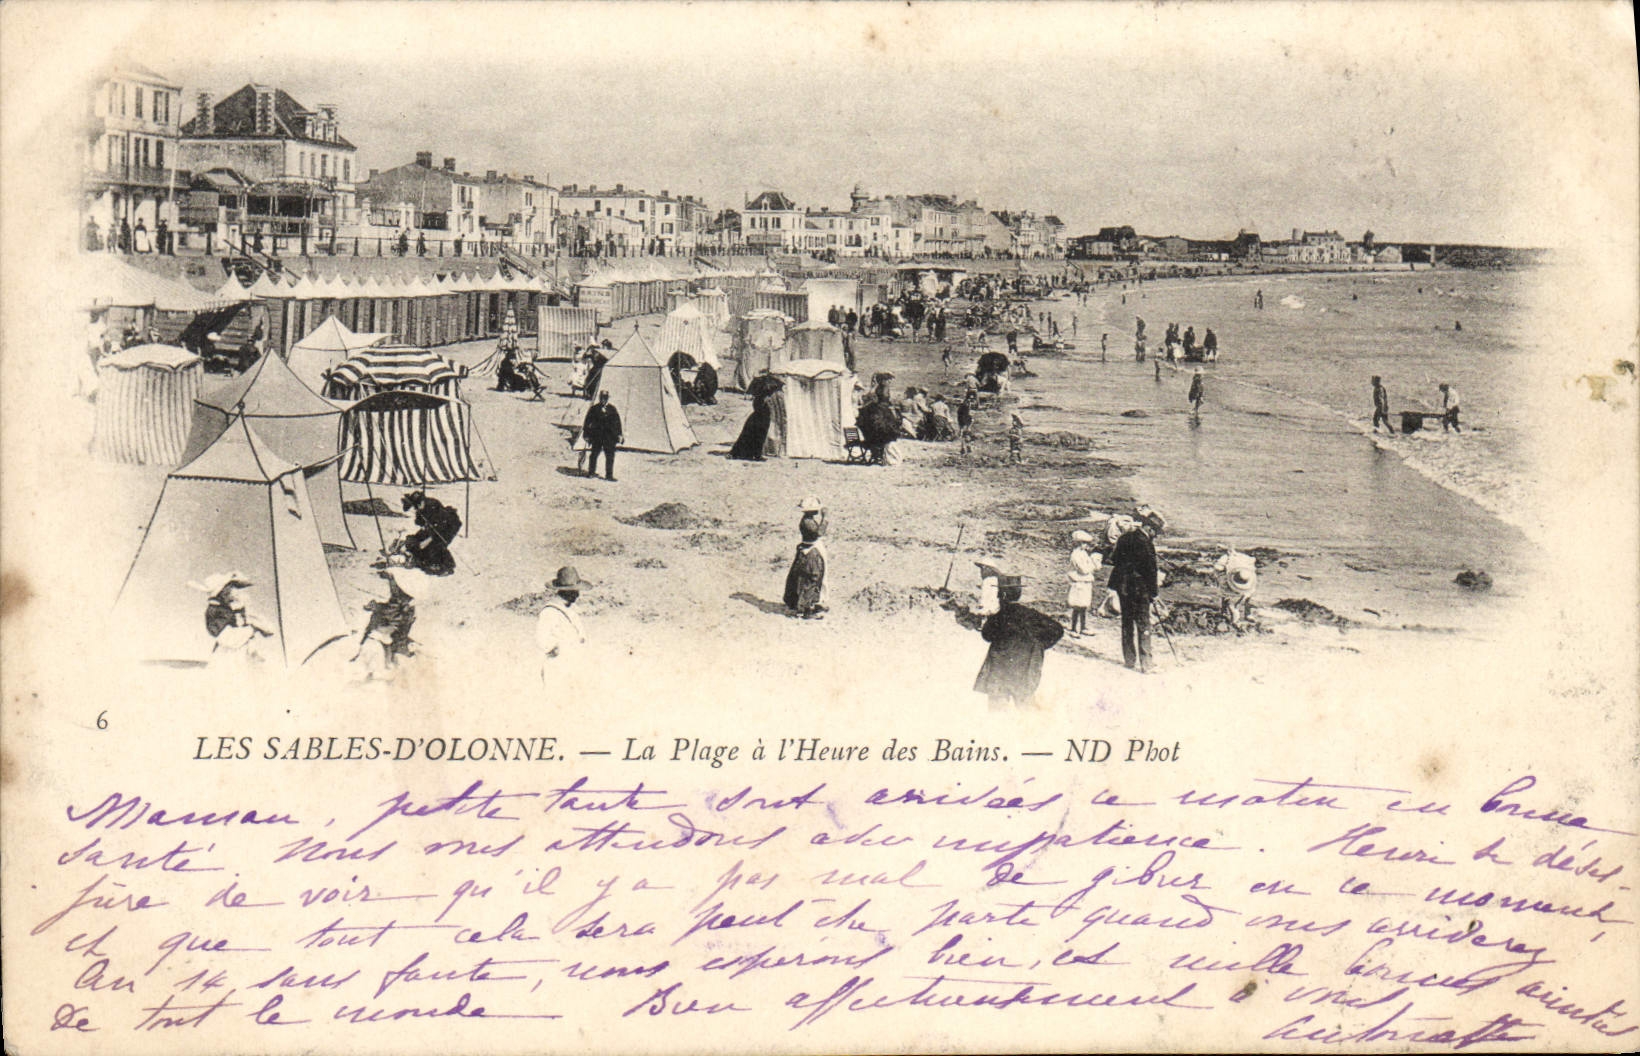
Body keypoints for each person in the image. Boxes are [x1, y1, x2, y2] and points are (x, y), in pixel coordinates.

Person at [973, 574, 1065, 708]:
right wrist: (1039, 646)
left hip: (1000, 671)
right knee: (1025, 712)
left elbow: (986, 635)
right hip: (1024, 670)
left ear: (1002, 597)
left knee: (997, 712)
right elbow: (1058, 630)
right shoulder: (1032, 615)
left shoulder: (999, 617)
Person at [1108, 511, 1163, 671]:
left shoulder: (1124, 537)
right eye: (1155, 532)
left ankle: (1129, 660)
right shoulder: (1146, 543)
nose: (1156, 536)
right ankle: (1146, 664)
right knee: (1143, 624)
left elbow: (1115, 559)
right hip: (1140, 589)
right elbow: (1151, 571)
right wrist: (1154, 593)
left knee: (1127, 623)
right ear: (1149, 528)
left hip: (1123, 586)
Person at [200, 572, 273, 659]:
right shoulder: (216, 611)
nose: (234, 591)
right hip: (229, 653)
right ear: (221, 592)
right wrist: (252, 629)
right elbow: (226, 638)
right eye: (230, 587)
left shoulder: (231, 608)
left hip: (239, 649)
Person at [537, 566, 588, 684]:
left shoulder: (572, 610)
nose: (577, 595)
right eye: (574, 591)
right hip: (558, 668)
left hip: (573, 666)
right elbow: (541, 638)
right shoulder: (550, 611)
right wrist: (556, 650)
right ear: (563, 592)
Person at [783, 499, 827, 619]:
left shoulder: (807, 520)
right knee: (812, 577)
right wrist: (825, 518)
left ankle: (807, 604)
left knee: (807, 578)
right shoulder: (808, 522)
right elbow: (819, 532)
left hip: (807, 550)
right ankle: (807, 609)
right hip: (810, 552)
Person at [400, 490, 461, 576]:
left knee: (437, 544)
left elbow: (440, 527)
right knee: (418, 539)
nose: (416, 509)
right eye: (415, 507)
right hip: (434, 527)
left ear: (422, 501)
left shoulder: (433, 505)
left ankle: (447, 566)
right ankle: (419, 558)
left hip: (448, 526)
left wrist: (428, 540)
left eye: (417, 506)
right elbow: (419, 522)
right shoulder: (420, 507)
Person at [1066, 530, 1101, 637]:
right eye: (1084, 543)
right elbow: (1083, 570)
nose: (1086, 545)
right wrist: (1093, 564)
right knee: (1077, 606)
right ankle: (1073, 628)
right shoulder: (1076, 555)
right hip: (1079, 582)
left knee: (1084, 606)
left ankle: (1083, 627)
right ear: (1079, 543)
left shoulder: (1084, 553)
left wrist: (1093, 564)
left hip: (1085, 582)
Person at [581, 390, 623, 480]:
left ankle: (609, 475)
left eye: (605, 398)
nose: (603, 399)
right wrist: (586, 434)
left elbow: (618, 423)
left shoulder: (612, 409)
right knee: (594, 454)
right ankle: (591, 472)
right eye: (602, 398)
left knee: (610, 456)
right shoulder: (594, 409)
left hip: (609, 437)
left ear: (607, 398)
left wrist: (619, 434)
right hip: (597, 436)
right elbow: (587, 422)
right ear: (599, 398)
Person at [1215, 548, 1258, 630]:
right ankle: (1224, 611)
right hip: (1226, 572)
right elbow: (1218, 569)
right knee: (1226, 597)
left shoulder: (1247, 574)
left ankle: (1247, 614)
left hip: (1241, 571)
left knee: (1247, 596)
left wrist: (1237, 604)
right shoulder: (1224, 577)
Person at [729, 387, 773, 461]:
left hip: (758, 414)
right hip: (761, 414)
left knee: (754, 434)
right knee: (759, 434)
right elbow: (759, 406)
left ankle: (752, 454)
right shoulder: (763, 394)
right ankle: (756, 455)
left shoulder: (760, 388)